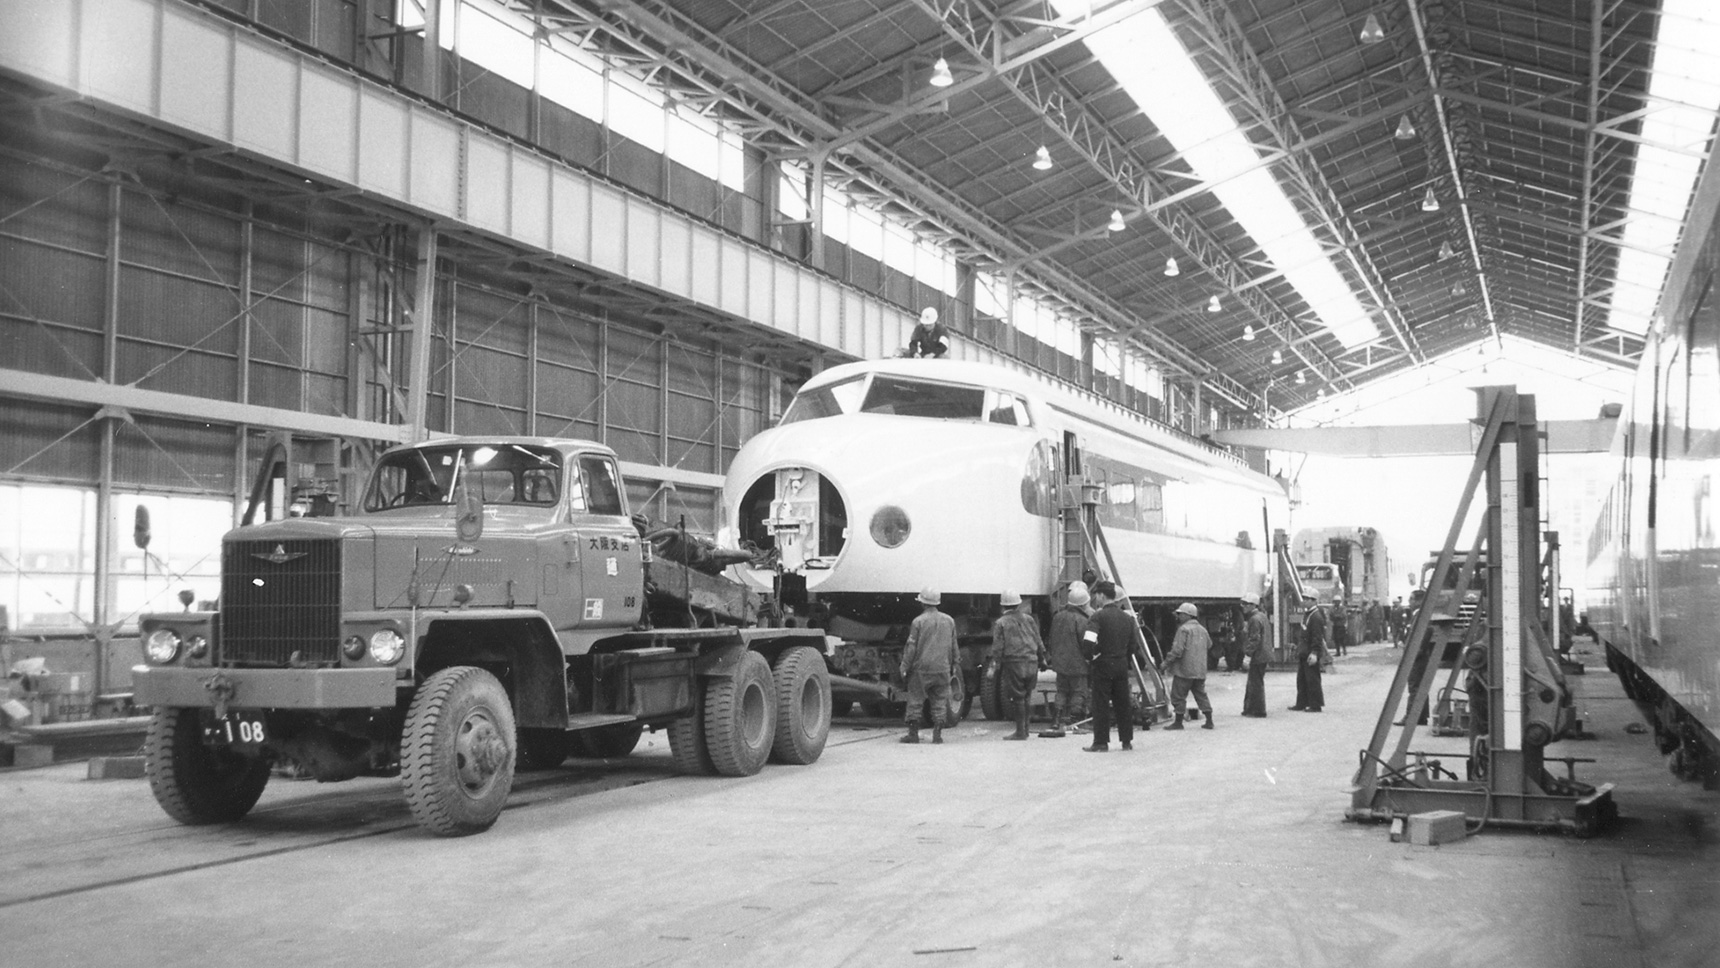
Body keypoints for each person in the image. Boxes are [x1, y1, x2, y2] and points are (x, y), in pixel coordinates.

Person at [1079, 581, 1135, 752]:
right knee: (1123, 703)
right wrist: (1123, 659)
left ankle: (1101, 742)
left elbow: (1088, 642)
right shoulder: (1127, 618)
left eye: (1096, 595)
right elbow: (1132, 646)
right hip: (1121, 665)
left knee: (1101, 703)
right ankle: (1126, 741)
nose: (1095, 598)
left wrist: (1090, 657)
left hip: (1103, 665)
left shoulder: (1097, 617)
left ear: (1102, 595)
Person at [900, 587, 959, 744]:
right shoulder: (949, 620)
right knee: (940, 701)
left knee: (915, 700)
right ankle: (937, 735)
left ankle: (913, 734)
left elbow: (911, 647)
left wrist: (904, 666)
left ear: (923, 603)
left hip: (921, 669)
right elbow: (954, 645)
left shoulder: (918, 621)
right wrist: (955, 663)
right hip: (943, 668)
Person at [990, 590, 1048, 740]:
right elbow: (1038, 640)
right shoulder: (1029, 619)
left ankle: (1020, 732)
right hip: (1032, 661)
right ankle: (1026, 730)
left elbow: (997, 647)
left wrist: (994, 667)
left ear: (1002, 605)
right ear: (1018, 604)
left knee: (1018, 698)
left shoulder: (1001, 622)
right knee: (1027, 696)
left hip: (1014, 663)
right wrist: (1042, 659)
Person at [1160, 602, 1214, 730]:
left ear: (1188, 615)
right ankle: (1209, 721)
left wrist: (1166, 663)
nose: (1178, 616)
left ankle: (1178, 722)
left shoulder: (1183, 629)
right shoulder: (1203, 630)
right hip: (1200, 670)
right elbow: (1209, 645)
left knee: (1178, 696)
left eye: (1180, 614)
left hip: (1184, 670)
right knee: (1201, 695)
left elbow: (1177, 650)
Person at [1047, 581, 1093, 728]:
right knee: (1079, 692)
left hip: (1060, 663)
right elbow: (1086, 644)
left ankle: (1056, 719)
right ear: (1083, 604)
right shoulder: (1083, 620)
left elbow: (1051, 639)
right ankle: (1075, 721)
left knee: (1061, 691)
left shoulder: (1057, 617)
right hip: (1078, 664)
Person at [1291, 593, 1330, 712]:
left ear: (1314, 601)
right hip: (1304, 651)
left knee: (1312, 680)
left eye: (1307, 599)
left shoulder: (1316, 617)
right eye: (1304, 599)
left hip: (1310, 652)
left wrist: (1315, 653)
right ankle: (1301, 703)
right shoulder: (1308, 614)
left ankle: (1315, 705)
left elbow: (1317, 637)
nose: (1304, 601)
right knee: (1302, 679)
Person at [1240, 593, 1271, 718]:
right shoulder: (1262, 616)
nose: (1243, 606)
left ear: (1253, 605)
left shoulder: (1254, 619)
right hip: (1263, 654)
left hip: (1258, 655)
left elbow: (1254, 639)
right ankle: (1250, 709)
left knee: (1255, 683)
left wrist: (1248, 655)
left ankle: (1258, 710)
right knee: (1255, 682)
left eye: (1246, 604)